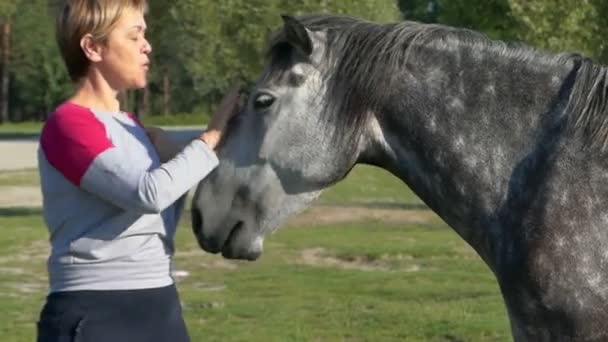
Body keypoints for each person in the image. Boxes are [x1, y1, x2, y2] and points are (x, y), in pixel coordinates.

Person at [36, 1, 240, 341]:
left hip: (159, 303)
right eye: (134, 36)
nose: (147, 45)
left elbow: (202, 159)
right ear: (93, 47)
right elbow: (149, 193)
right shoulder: (69, 124)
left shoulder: (134, 128)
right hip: (96, 311)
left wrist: (245, 122)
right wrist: (213, 135)